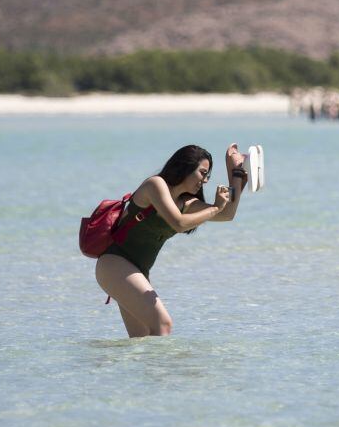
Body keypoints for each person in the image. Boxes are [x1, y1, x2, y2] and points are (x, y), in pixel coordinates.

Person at [96, 143, 249, 337]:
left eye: (208, 175)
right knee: (162, 324)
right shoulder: (155, 185)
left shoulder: (187, 203)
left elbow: (227, 214)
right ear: (186, 167)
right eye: (203, 173)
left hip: (136, 272)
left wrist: (235, 172)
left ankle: (147, 368)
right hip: (114, 264)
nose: (206, 180)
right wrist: (215, 208)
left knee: (142, 344)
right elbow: (178, 222)